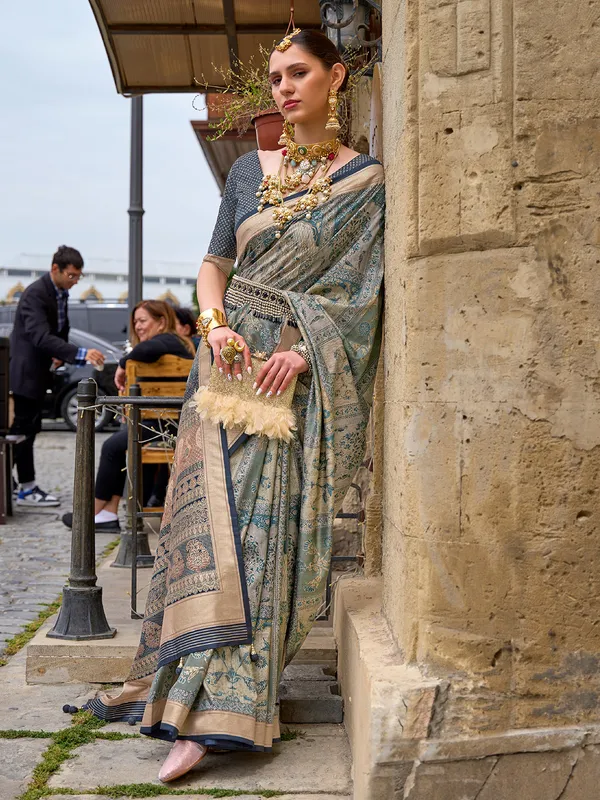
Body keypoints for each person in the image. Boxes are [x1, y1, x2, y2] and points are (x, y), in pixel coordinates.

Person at [85, 29, 384, 783]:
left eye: (300, 73)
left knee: (260, 538)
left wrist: (302, 347)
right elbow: (214, 264)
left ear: (336, 77)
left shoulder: (367, 184)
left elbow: (358, 301)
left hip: (290, 380)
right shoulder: (250, 170)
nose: (284, 88)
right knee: (206, 532)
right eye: (277, 76)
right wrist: (214, 329)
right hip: (225, 370)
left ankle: (225, 712)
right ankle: (179, 688)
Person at [61, 300, 195, 532]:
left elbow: (145, 350)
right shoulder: (177, 343)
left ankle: (90, 513)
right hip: (167, 424)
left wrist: (124, 364)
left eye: (143, 321)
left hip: (168, 426)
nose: (138, 326)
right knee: (120, 442)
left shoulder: (169, 340)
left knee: (112, 446)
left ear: (162, 322)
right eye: (135, 322)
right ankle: (107, 514)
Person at [9, 245, 105, 507]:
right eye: (72, 276)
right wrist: (80, 352)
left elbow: (59, 330)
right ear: (56, 269)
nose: (75, 281)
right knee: (22, 430)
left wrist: (61, 352)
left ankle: (14, 485)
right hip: (26, 373)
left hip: (40, 372)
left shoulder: (58, 292)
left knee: (27, 429)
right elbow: (40, 335)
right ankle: (25, 488)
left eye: (78, 277)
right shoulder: (36, 294)